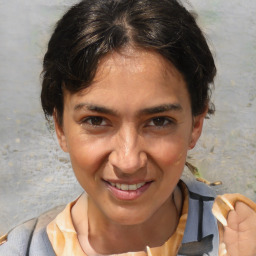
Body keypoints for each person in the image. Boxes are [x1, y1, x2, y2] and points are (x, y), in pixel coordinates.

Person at [0, 0, 255, 255]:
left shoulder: (240, 237)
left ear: (196, 124)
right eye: (96, 121)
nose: (129, 161)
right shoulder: (23, 249)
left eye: (159, 121)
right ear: (61, 128)